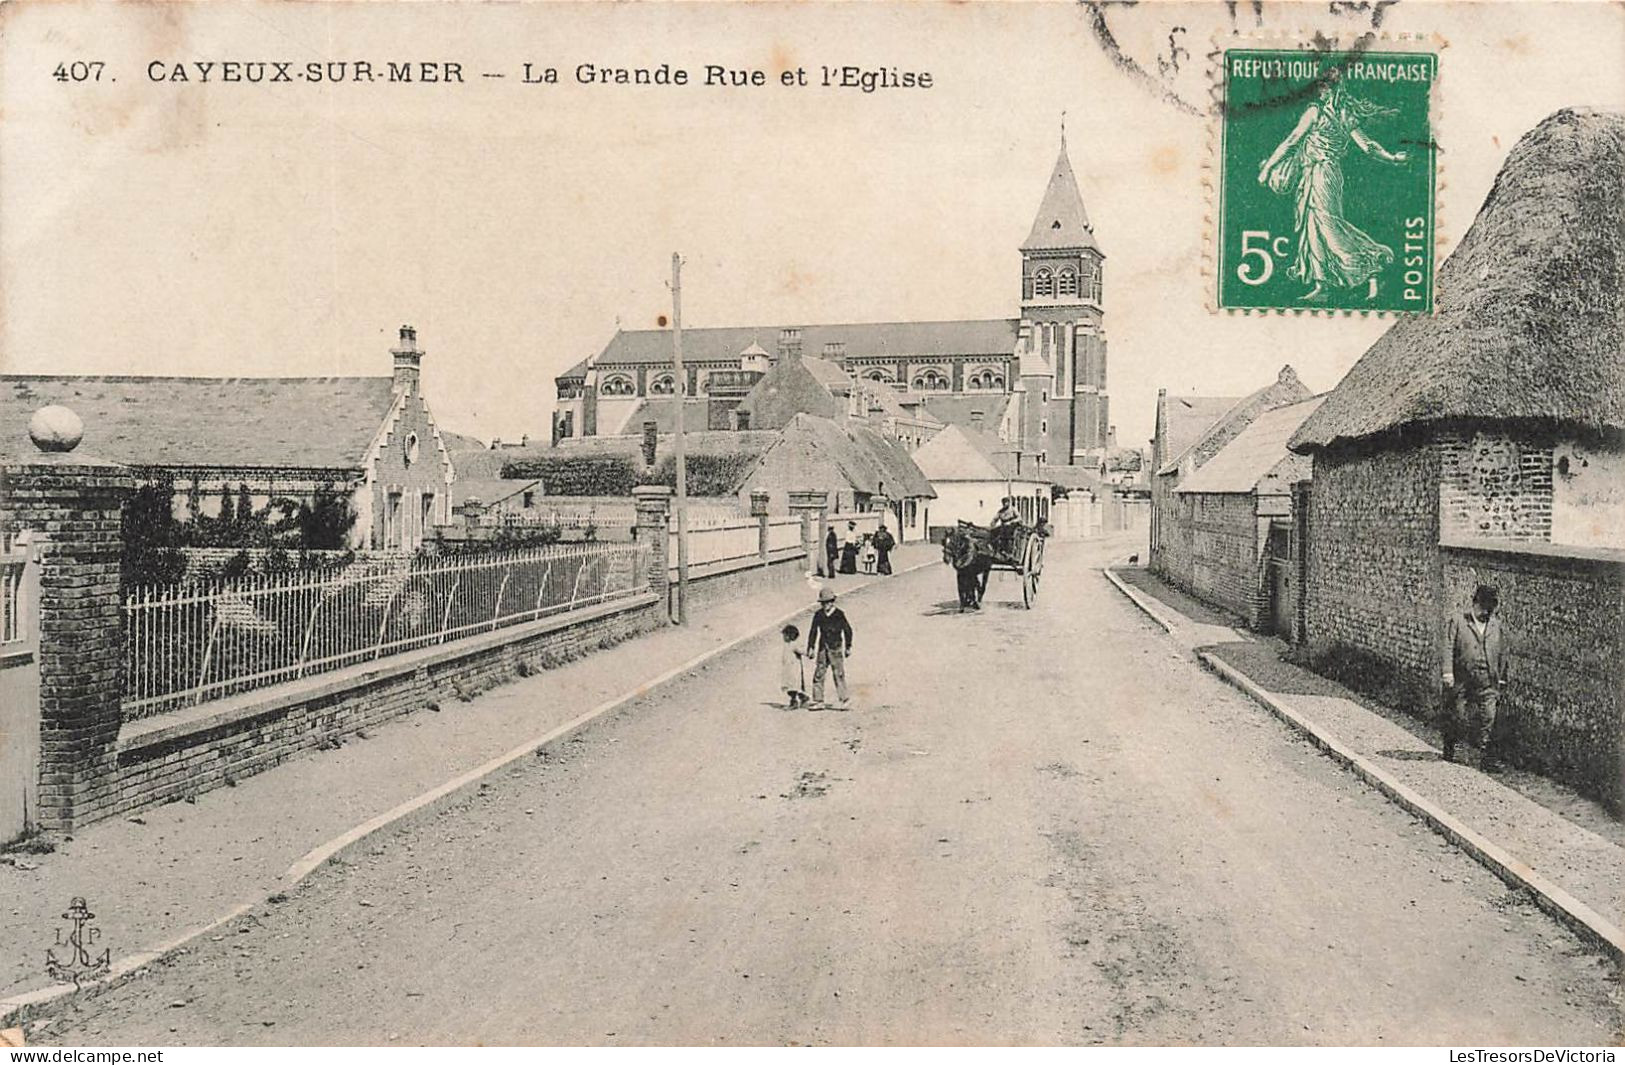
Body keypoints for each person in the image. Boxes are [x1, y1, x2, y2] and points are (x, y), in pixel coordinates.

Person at [1257, 68, 1410, 304]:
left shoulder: (1316, 112)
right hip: (1316, 173)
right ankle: (1323, 285)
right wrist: (1392, 157)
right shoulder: (1343, 113)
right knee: (1313, 227)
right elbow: (1367, 145)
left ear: (1330, 88)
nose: (1320, 91)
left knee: (1327, 225)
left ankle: (1371, 264)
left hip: (1323, 173)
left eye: (1324, 86)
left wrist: (1268, 168)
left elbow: (1292, 141)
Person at [1441, 584, 1510, 769]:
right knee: (1459, 715)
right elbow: (1448, 647)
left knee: (1489, 716)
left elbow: (1503, 651)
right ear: (1475, 603)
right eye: (1484, 607)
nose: (1487, 612)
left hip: (1487, 680)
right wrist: (1447, 672)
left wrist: (1502, 677)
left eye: (1491, 608)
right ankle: (1451, 746)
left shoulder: (1496, 625)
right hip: (1461, 678)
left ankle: (1485, 758)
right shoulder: (1458, 621)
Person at [806, 586, 853, 709]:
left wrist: (848, 647)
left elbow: (848, 631)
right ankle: (818, 700)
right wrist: (810, 647)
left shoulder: (839, 614)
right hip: (822, 648)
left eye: (828, 602)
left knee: (838, 673)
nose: (825, 605)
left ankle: (844, 699)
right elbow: (813, 631)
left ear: (832, 602)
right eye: (823, 603)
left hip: (836, 647)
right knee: (819, 673)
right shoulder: (818, 615)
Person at [779, 624, 808, 709]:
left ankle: (794, 702)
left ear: (790, 636)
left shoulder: (794, 645)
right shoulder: (787, 645)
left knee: (793, 687)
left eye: (785, 635)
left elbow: (802, 651)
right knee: (791, 686)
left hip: (794, 670)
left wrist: (809, 654)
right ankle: (803, 697)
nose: (783, 637)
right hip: (788, 670)